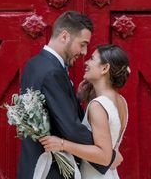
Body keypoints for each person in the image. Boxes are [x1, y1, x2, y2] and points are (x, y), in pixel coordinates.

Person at [17, 11, 120, 179]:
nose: (85, 52)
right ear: (64, 36)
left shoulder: (34, 64)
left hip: (31, 166)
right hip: (50, 171)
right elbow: (70, 128)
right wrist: (106, 155)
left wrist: (75, 98)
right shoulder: (52, 72)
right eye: (83, 44)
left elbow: (51, 112)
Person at [40, 44, 130, 179]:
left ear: (105, 68)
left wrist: (62, 144)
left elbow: (105, 157)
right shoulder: (120, 101)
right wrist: (81, 99)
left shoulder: (98, 105)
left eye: (92, 59)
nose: (86, 62)